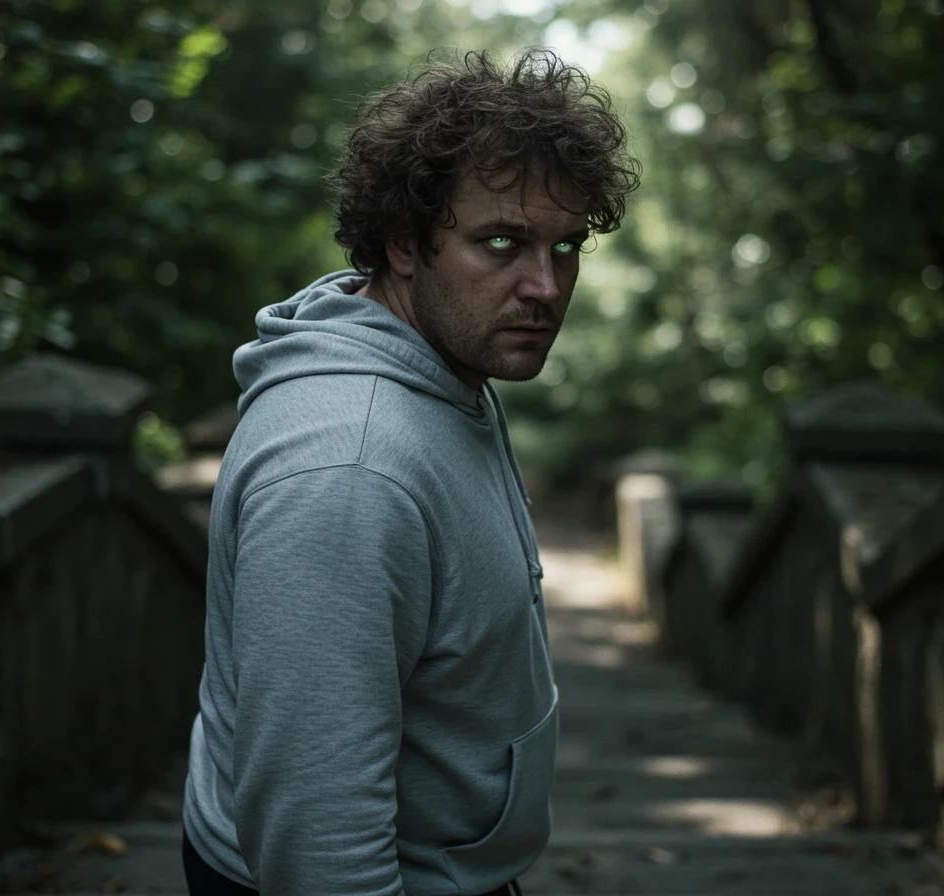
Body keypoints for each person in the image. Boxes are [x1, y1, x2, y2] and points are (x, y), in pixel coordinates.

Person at [180, 46, 641, 896]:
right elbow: (319, 845)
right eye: (500, 242)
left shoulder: (440, 365)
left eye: (567, 247)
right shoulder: (348, 470)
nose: (546, 285)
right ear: (402, 243)